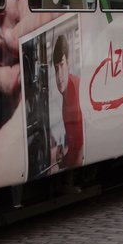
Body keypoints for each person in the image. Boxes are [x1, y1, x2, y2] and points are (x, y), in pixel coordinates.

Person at [53, 33, 84, 169]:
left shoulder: (74, 90)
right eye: (55, 68)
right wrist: (63, 160)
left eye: (62, 65)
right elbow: (74, 147)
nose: (59, 75)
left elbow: (80, 150)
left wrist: (63, 163)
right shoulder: (67, 92)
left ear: (68, 64)